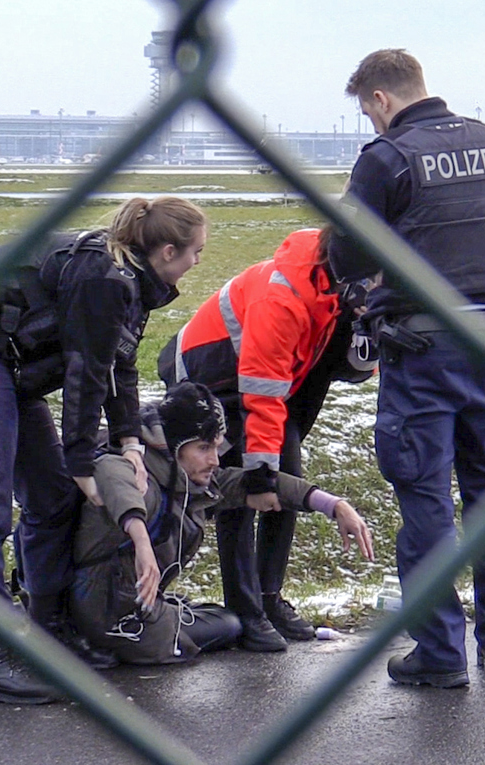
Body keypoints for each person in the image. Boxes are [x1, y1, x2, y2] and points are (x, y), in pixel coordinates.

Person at [328, 49, 485, 688]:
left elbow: (343, 250)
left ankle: (440, 654)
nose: (370, 124)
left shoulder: (387, 158)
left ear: (381, 99)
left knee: (426, 498)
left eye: (367, 111)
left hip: (421, 350)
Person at [0, 196, 206, 704]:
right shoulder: (104, 279)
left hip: (11, 371)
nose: (198, 263)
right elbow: (84, 376)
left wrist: (129, 443)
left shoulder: (132, 282)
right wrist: (80, 460)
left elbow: (119, 365)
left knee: (51, 498)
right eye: (195, 253)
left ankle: (47, 630)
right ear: (166, 251)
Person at [158, 227, 373, 651]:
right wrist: (260, 473)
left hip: (267, 383)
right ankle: (245, 607)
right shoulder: (283, 296)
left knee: (286, 476)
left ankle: (269, 598)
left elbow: (324, 373)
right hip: (212, 374)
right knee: (244, 487)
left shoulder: (333, 283)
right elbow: (261, 392)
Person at [69, 381, 374, 664]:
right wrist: (140, 538)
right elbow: (113, 476)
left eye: (216, 447)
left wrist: (335, 505)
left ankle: (157, 620)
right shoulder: (139, 474)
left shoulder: (188, 481)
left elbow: (256, 484)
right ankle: (106, 643)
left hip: (128, 605)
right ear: (173, 447)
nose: (214, 459)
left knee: (223, 619)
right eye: (203, 448)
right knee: (226, 626)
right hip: (106, 614)